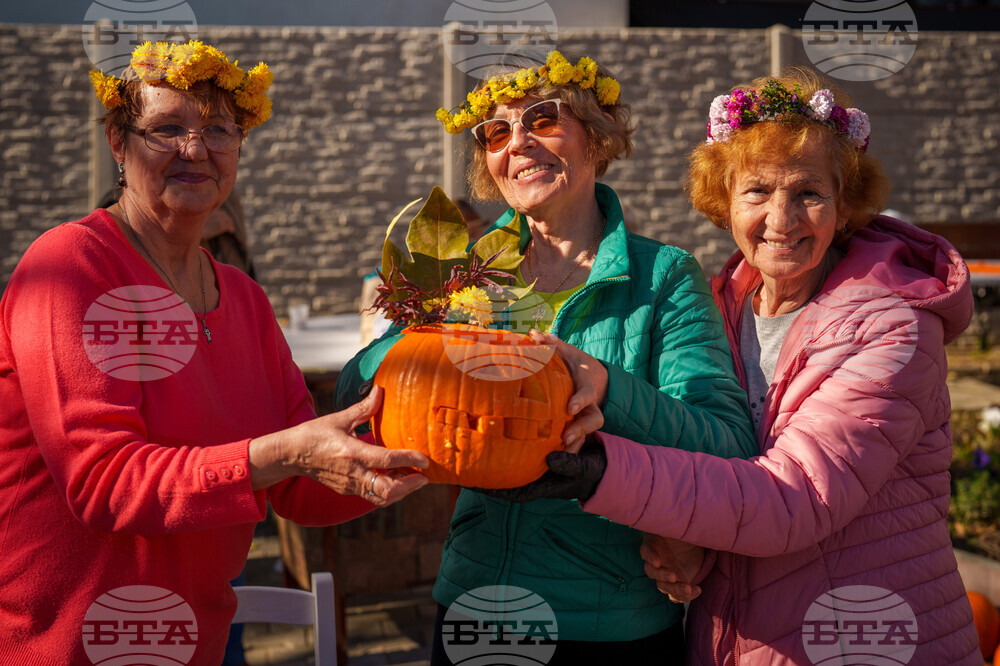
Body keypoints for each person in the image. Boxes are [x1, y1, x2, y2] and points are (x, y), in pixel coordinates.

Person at [514, 69, 981, 663]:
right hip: (740, 641)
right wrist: (689, 543)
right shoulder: (721, 304)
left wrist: (601, 472)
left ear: (845, 205)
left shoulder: (895, 327)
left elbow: (795, 499)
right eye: (757, 191)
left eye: (809, 192)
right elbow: (719, 462)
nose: (782, 219)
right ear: (724, 202)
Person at [0, 40, 429, 664]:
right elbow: (104, 482)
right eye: (167, 128)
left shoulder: (245, 300)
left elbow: (298, 489)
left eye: (219, 130)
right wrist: (281, 453)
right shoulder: (72, 267)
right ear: (119, 144)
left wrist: (424, 450)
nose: (196, 150)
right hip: (71, 645)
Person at [336, 50, 756, 663]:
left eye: (544, 119)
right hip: (477, 603)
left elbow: (726, 442)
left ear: (596, 135)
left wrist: (606, 388)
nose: (520, 142)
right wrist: (414, 334)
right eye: (497, 132)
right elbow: (356, 391)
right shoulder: (466, 276)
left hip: (609, 617)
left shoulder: (663, 277)